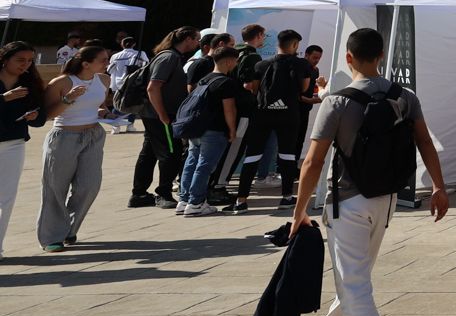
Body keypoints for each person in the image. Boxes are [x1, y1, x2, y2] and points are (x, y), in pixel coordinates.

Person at [292, 27, 449, 316]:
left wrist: (299, 210)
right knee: (356, 278)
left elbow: (313, 161)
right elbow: (424, 140)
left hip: (348, 200)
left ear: (348, 58)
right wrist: (439, 187)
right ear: (381, 56)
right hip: (386, 199)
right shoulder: (404, 97)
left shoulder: (337, 101)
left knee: (353, 281)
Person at [37, 43, 111, 250]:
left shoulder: (104, 80)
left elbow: (100, 105)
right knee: (55, 187)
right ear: (86, 63)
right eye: (103, 60)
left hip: (94, 135)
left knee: (89, 186)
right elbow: (48, 115)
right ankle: (52, 237)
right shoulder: (62, 82)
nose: (108, 63)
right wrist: (68, 99)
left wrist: (105, 112)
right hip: (65, 136)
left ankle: (68, 228)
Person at [247, 29, 320, 211]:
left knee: (253, 155)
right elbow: (303, 89)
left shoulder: (261, 64)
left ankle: (241, 200)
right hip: (288, 115)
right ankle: (286, 197)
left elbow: (254, 89)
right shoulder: (300, 64)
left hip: (262, 114)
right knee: (287, 155)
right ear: (295, 45)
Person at [134, 26, 199, 208]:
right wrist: (163, 115)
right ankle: (163, 194)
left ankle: (139, 194)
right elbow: (153, 87)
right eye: (196, 39)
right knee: (171, 153)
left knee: (150, 153)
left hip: (156, 114)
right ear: (187, 39)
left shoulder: (170, 56)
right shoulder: (169, 57)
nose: (197, 43)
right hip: (161, 115)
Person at [176, 46, 245, 217]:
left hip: (196, 128)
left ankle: (184, 200)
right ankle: (196, 203)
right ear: (229, 61)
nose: (235, 64)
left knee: (191, 162)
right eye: (236, 61)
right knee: (205, 166)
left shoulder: (205, 79)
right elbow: (229, 109)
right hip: (214, 130)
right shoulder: (226, 82)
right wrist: (232, 130)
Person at [0, 42, 47, 257]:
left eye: (30, 61)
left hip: (13, 144)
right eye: (20, 60)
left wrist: (35, 116)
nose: (26, 65)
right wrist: (4, 99)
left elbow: (41, 117)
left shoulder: (30, 83)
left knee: (6, 197)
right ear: (5, 58)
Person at [106, 34, 147, 110]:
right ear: (134, 44)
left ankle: (117, 119)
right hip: (133, 82)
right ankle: (130, 121)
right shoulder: (141, 54)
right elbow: (146, 67)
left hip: (118, 83)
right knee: (132, 104)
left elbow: (109, 70)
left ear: (122, 45)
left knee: (118, 104)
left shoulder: (115, 56)